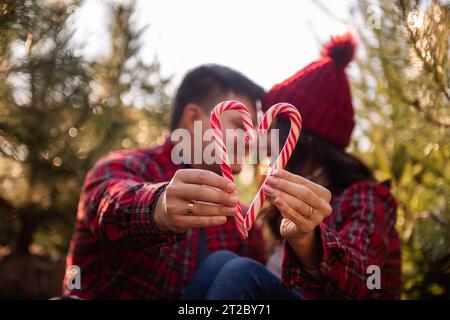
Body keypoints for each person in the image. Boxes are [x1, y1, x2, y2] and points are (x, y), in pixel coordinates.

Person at [183, 33, 402, 300]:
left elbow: (370, 278)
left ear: (299, 138)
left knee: (241, 272)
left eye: (272, 128)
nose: (261, 140)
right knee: (220, 262)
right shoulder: (283, 204)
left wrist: (308, 240)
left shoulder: (365, 198)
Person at [63, 64, 267, 299]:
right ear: (193, 119)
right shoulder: (121, 168)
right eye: (241, 126)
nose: (252, 141)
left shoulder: (242, 222)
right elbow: (111, 200)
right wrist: (160, 206)